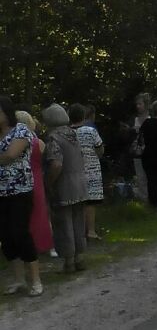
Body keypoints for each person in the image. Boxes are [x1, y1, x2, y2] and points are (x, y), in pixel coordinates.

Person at [0, 95, 44, 297]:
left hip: (20, 190)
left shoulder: (21, 130)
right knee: (6, 236)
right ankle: (18, 280)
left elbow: (11, 155)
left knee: (20, 232)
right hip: (1, 192)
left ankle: (35, 280)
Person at [42, 103, 89, 273]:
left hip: (63, 187)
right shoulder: (73, 134)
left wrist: (48, 182)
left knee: (63, 225)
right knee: (78, 222)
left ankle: (68, 262)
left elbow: (56, 164)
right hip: (80, 185)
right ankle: (80, 259)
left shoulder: (53, 138)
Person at [15, 111, 55, 257]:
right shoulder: (38, 142)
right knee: (42, 211)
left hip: (22, 178)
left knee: (26, 214)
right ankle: (46, 244)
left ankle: (29, 245)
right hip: (37, 178)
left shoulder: (14, 142)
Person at [69, 104, 104, 240]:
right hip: (91, 170)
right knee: (91, 202)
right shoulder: (90, 131)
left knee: (77, 202)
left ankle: (77, 232)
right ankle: (90, 231)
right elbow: (100, 148)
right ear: (83, 116)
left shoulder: (66, 132)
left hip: (73, 170)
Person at [129, 93, 151, 200]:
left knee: (150, 175)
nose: (138, 106)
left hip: (150, 151)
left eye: (140, 104)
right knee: (140, 176)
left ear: (146, 105)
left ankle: (152, 197)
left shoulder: (151, 118)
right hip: (138, 152)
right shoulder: (135, 119)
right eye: (136, 104)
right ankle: (144, 198)